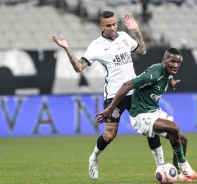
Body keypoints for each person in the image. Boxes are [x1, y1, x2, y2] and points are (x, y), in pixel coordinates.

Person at [52, 10, 170, 180]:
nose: (113, 28)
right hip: (115, 95)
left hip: (135, 92)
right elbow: (79, 67)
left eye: (114, 24)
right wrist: (67, 49)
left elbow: (142, 50)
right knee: (110, 135)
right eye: (108, 25)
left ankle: (161, 168)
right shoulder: (97, 45)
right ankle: (93, 158)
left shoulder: (124, 37)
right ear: (101, 26)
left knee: (150, 129)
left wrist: (136, 30)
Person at [96, 48, 197, 182]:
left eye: (178, 62)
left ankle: (177, 174)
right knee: (173, 127)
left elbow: (168, 75)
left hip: (154, 111)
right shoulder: (154, 74)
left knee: (182, 139)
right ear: (164, 61)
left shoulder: (168, 72)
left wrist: (171, 81)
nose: (176, 65)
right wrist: (111, 108)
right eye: (172, 61)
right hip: (140, 115)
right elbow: (127, 85)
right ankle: (183, 164)